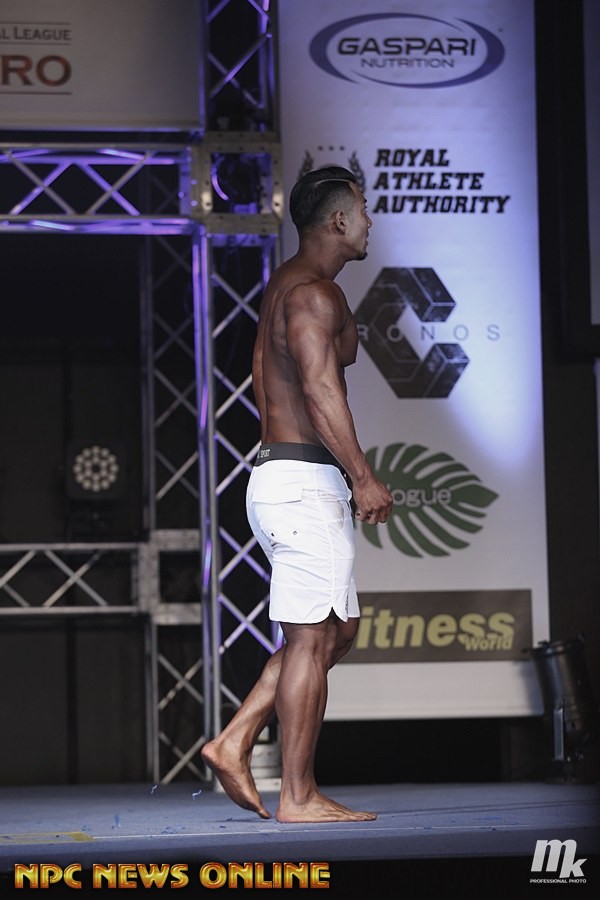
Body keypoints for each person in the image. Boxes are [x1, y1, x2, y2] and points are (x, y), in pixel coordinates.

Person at [201, 165, 393, 823]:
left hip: (291, 480)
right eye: (362, 209)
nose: (370, 221)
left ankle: (234, 739)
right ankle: (298, 795)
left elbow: (334, 362)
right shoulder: (311, 295)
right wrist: (362, 475)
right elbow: (319, 388)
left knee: (337, 630)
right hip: (304, 482)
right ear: (339, 220)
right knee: (312, 639)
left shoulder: (297, 285)